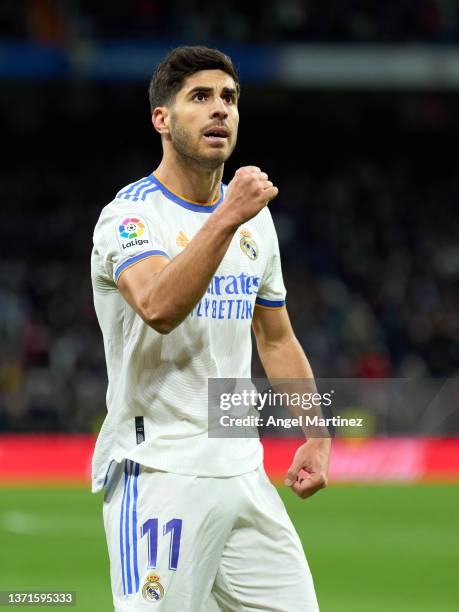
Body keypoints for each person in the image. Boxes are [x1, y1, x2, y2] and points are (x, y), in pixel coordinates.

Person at [91, 45, 330, 611]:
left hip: (243, 472)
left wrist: (317, 433)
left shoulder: (254, 220)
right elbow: (157, 307)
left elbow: (276, 338)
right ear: (163, 119)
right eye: (200, 97)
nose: (219, 109)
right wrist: (226, 215)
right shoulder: (130, 218)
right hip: (159, 474)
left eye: (229, 98)